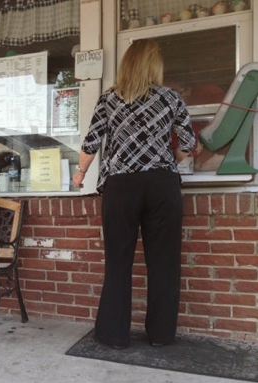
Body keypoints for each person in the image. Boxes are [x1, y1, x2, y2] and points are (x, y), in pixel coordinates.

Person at [73, 39, 195, 349]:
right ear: (156, 65)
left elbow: (92, 142)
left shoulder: (110, 99)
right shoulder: (171, 98)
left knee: (118, 260)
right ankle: (162, 335)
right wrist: (170, 155)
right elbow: (187, 145)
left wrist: (80, 172)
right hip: (162, 185)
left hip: (122, 185)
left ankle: (114, 335)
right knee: (165, 262)